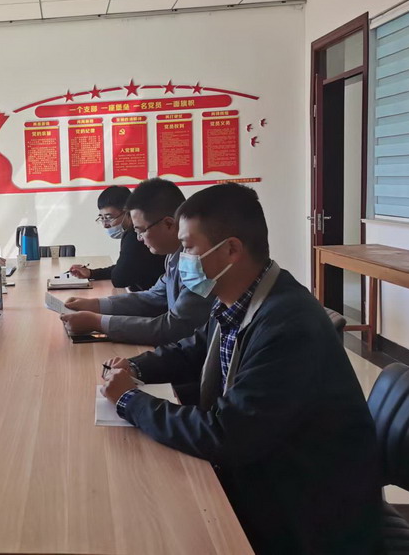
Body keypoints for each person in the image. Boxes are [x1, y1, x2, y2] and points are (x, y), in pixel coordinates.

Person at [101, 184, 381, 555]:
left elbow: (225, 434)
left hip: (308, 512)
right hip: (270, 472)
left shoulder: (287, 325)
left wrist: (130, 401)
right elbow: (193, 348)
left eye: (188, 248)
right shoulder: (241, 296)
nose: (183, 261)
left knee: (151, 521)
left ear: (231, 249)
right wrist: (135, 366)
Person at [61, 178, 213, 348]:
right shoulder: (173, 256)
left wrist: (98, 322)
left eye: (141, 231)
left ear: (169, 224)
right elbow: (154, 297)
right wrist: (95, 304)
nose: (139, 239)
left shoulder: (197, 265)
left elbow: (175, 328)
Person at [68, 185, 165, 292]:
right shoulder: (133, 232)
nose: (105, 225)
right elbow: (123, 268)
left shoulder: (134, 235)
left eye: (109, 218)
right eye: (102, 218)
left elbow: (120, 278)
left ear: (128, 213)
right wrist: (91, 273)